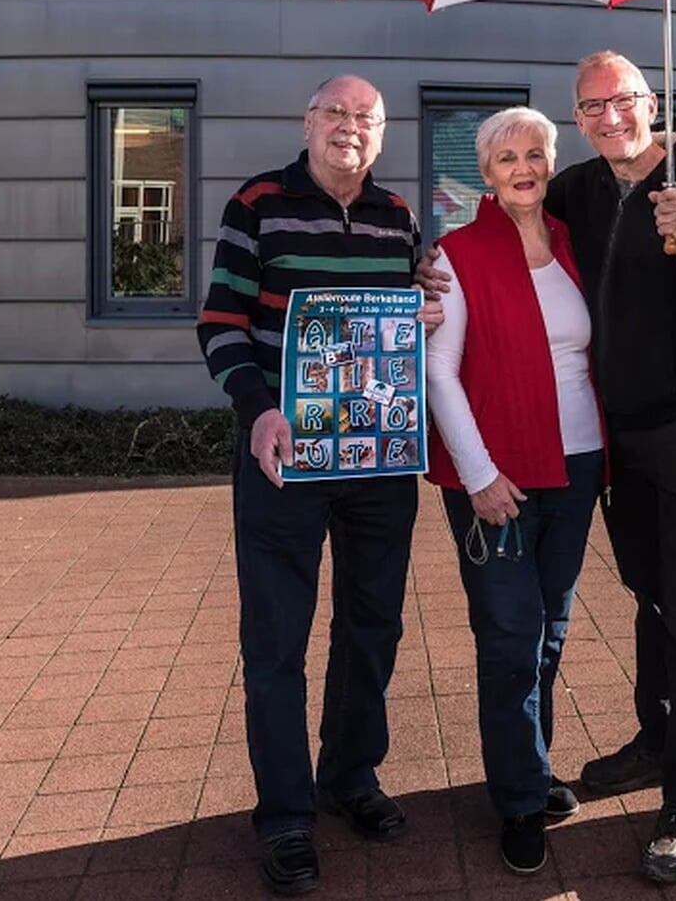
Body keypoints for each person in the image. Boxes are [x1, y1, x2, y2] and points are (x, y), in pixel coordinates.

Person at [419, 50, 676, 883]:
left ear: (651, 103)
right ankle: (650, 738)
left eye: (623, 101)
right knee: (644, 596)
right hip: (610, 445)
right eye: (591, 107)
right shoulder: (572, 194)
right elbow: (481, 271)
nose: (609, 117)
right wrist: (422, 275)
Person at [196, 75, 440, 898]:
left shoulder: (398, 216)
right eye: (335, 114)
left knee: (373, 625)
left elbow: (406, 317)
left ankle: (350, 776)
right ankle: (285, 815)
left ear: (382, 133)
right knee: (276, 642)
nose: (349, 128)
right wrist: (257, 411)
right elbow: (221, 323)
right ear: (308, 123)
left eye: (365, 118)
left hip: (378, 461)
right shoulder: (257, 203)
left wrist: (428, 304)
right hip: (283, 461)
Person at [422, 107, 605, 876]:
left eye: (535, 154)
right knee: (509, 638)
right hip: (498, 475)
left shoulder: (573, 245)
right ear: (486, 172)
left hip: (580, 463)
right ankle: (520, 800)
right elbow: (439, 369)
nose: (523, 168)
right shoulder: (457, 254)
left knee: (551, 628)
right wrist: (479, 473)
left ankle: (530, 764)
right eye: (506, 158)